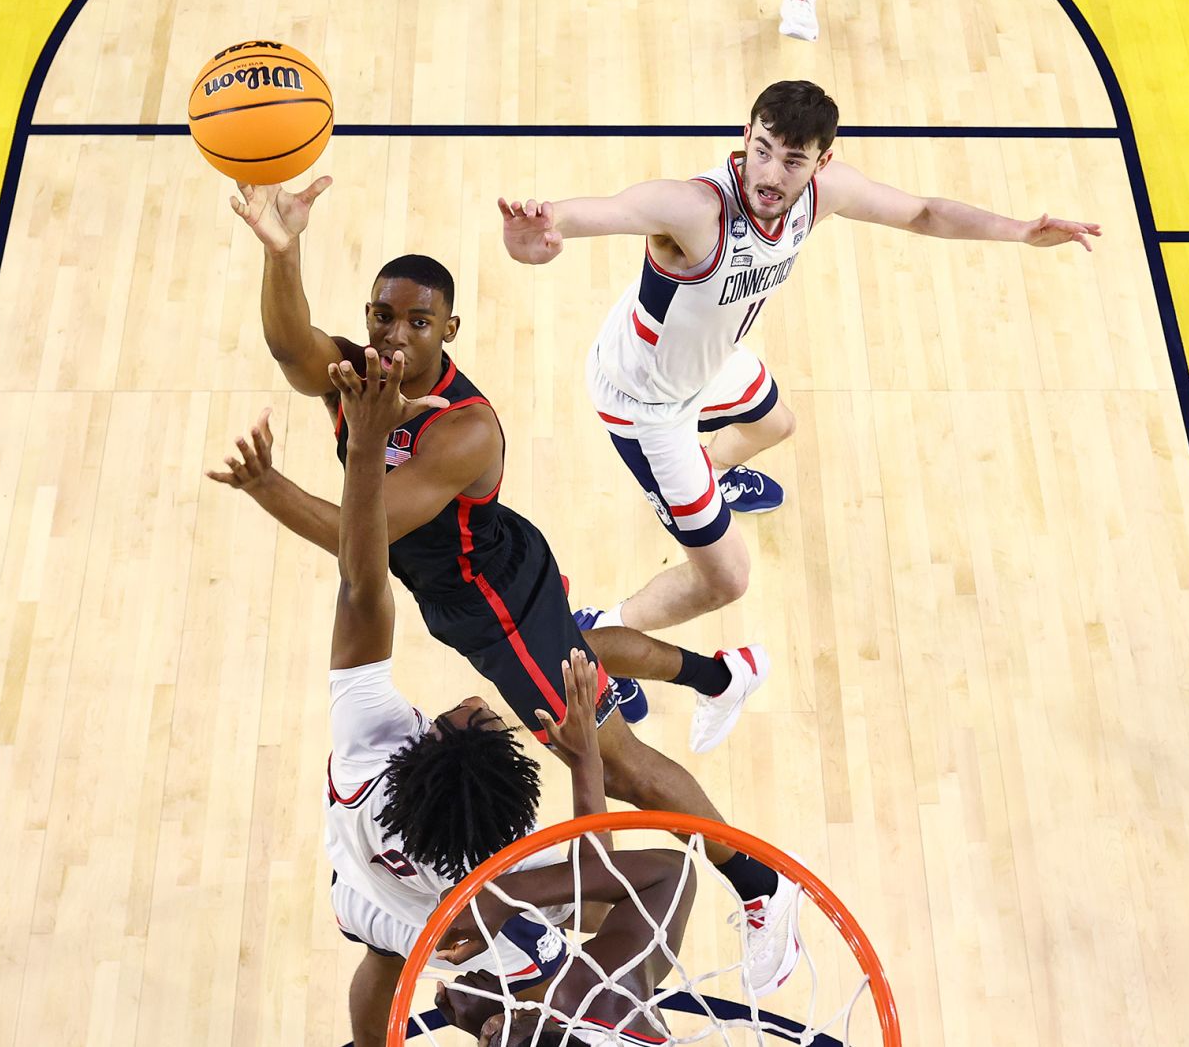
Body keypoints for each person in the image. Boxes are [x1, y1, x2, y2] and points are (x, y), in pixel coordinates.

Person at [215, 187, 801, 992]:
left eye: (418, 322)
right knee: (584, 651)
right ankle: (719, 674)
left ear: (447, 332)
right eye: (383, 315)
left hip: (491, 603)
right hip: (484, 572)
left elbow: (368, 543)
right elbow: (290, 345)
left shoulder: (463, 428)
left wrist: (271, 486)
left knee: (616, 758)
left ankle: (760, 884)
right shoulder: (360, 376)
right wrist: (282, 254)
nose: (394, 333)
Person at [498, 79, 1101, 633]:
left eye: (792, 161)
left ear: (821, 162)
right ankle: (599, 635)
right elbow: (600, 212)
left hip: (706, 361)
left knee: (775, 423)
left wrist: (1020, 231)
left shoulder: (823, 195)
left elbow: (922, 212)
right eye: (762, 149)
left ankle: (704, 480)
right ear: (745, 137)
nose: (771, 173)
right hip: (646, 402)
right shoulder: (695, 209)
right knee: (725, 580)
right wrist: (543, 235)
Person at [319, 345, 572, 1047]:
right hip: (461, 926)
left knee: (384, 954)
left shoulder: (368, 752)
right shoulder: (503, 853)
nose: (482, 701)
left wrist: (366, 449)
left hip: (371, 895)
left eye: (474, 715)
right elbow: (598, 868)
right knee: (559, 972)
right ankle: (504, 1026)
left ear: (428, 739)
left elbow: (361, 583)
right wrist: (586, 766)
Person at [431, 639, 708, 1047]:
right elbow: (671, 874)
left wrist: (489, 1029)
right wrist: (504, 894)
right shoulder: (602, 999)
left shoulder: (593, 998)